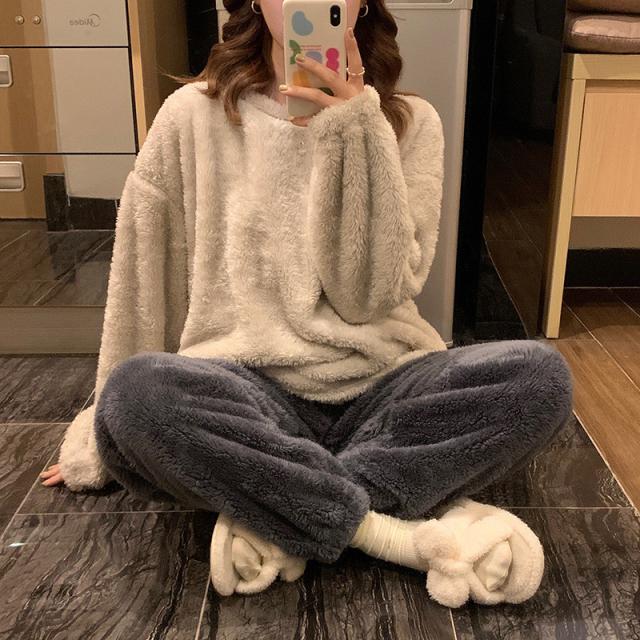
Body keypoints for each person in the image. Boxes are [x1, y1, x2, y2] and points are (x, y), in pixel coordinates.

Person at [39, 0, 573, 608]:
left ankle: (277, 506)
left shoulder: (411, 122)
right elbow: (143, 278)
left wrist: (356, 129)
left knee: (541, 379)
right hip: (246, 391)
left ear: (362, 2)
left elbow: (367, 298)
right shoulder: (190, 116)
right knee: (138, 394)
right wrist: (98, 430)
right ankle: (389, 530)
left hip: (383, 385)